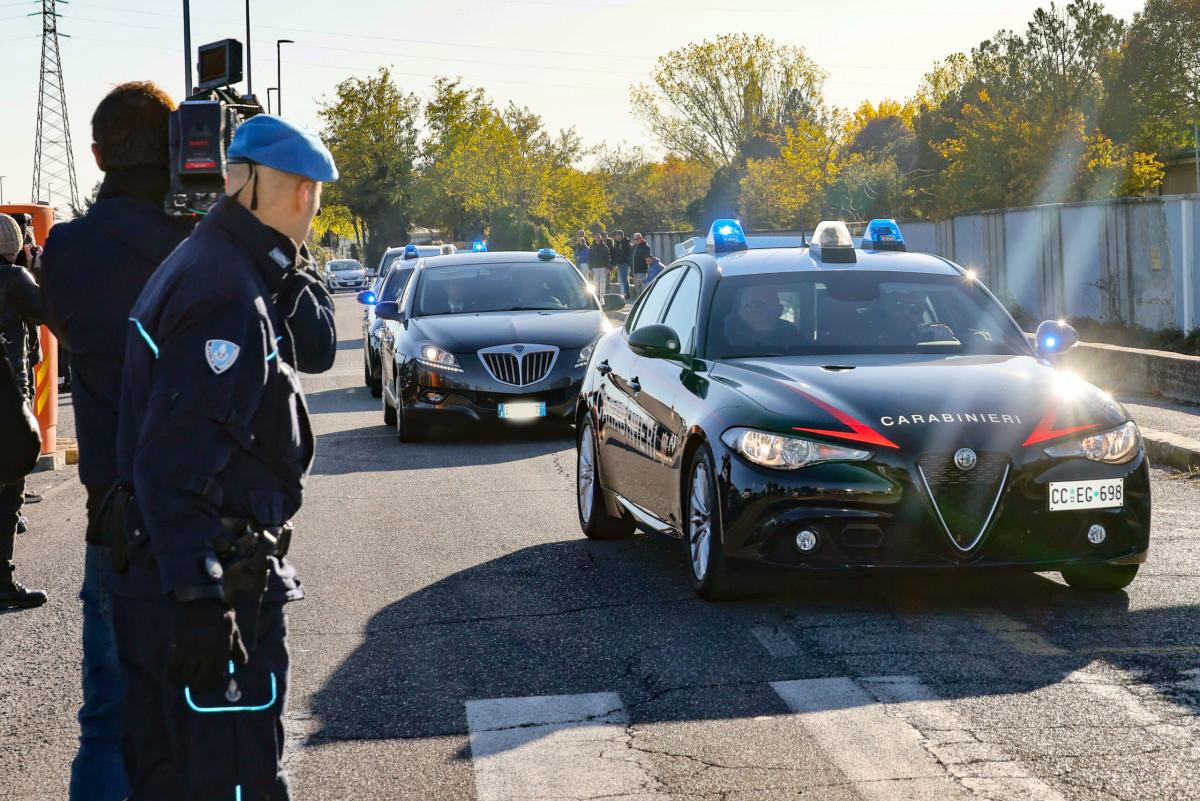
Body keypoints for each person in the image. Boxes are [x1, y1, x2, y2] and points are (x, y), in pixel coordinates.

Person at [111, 114, 337, 801]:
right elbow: (172, 463)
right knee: (228, 781)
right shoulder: (224, 289)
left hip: (188, 577)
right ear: (296, 192)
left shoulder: (213, 261)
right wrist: (201, 595)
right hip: (213, 587)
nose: (311, 210)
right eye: (313, 195)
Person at [41, 81, 198, 801]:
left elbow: (70, 329)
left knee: (107, 719)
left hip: (118, 521)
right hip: (212, 513)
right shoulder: (209, 242)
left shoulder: (69, 249)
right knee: (217, 711)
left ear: (98, 154)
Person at [0, 213, 48, 611]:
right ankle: (2, 582)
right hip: (8, 399)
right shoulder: (15, 280)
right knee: (9, 489)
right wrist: (36, 269)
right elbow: (50, 312)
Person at [611, 230, 632, 300]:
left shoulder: (625, 242)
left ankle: (627, 294)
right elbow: (615, 254)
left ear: (620, 235)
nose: (616, 237)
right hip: (619, 264)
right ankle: (623, 293)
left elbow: (626, 254)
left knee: (624, 279)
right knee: (621, 279)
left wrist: (621, 260)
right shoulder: (617, 243)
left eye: (617, 235)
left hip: (624, 263)